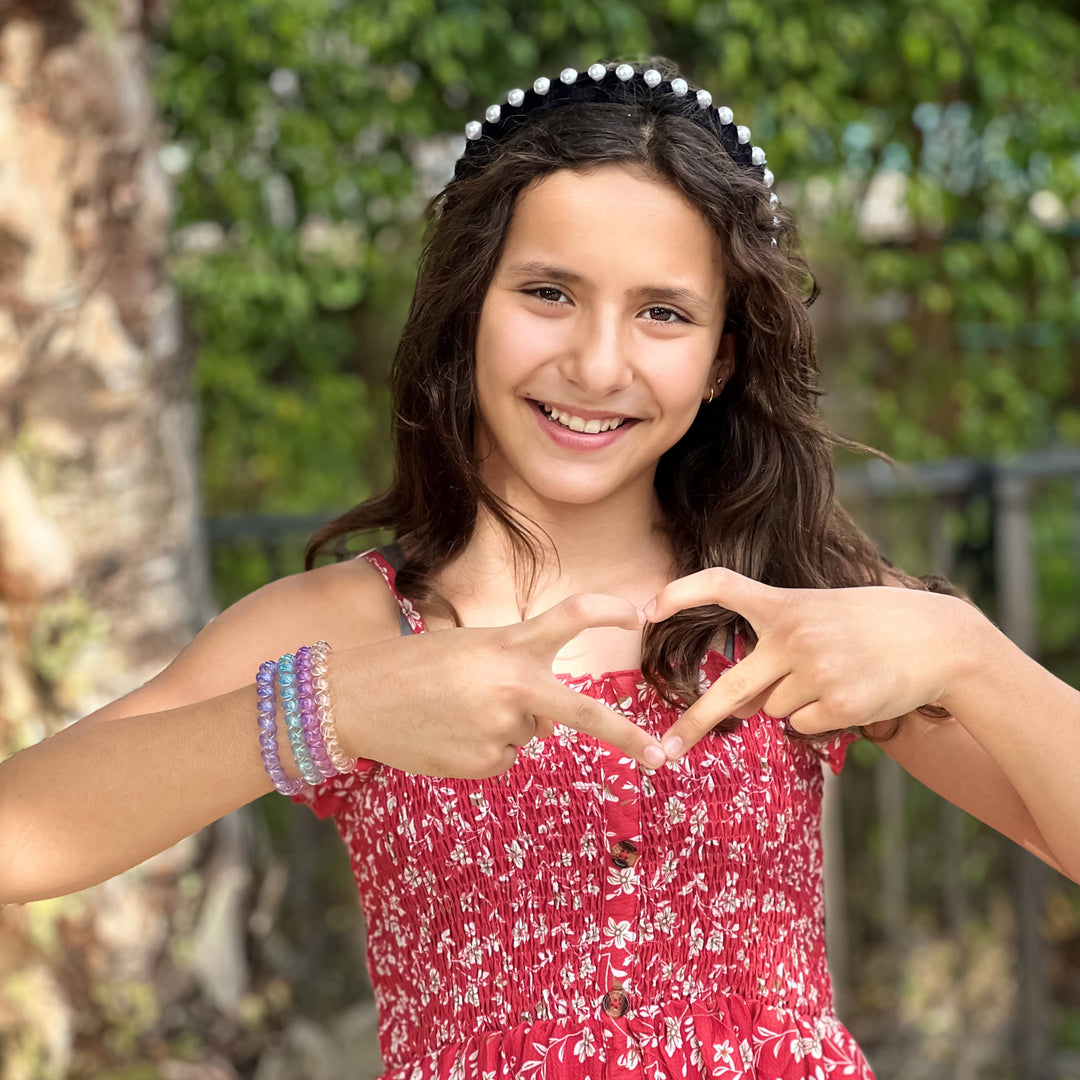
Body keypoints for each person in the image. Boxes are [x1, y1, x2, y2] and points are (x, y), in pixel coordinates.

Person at [1, 55, 1078, 1080]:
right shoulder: (347, 631)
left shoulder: (789, 606)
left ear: (720, 361)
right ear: (468, 303)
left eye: (663, 313)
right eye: (548, 293)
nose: (597, 363)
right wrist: (330, 708)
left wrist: (966, 652)